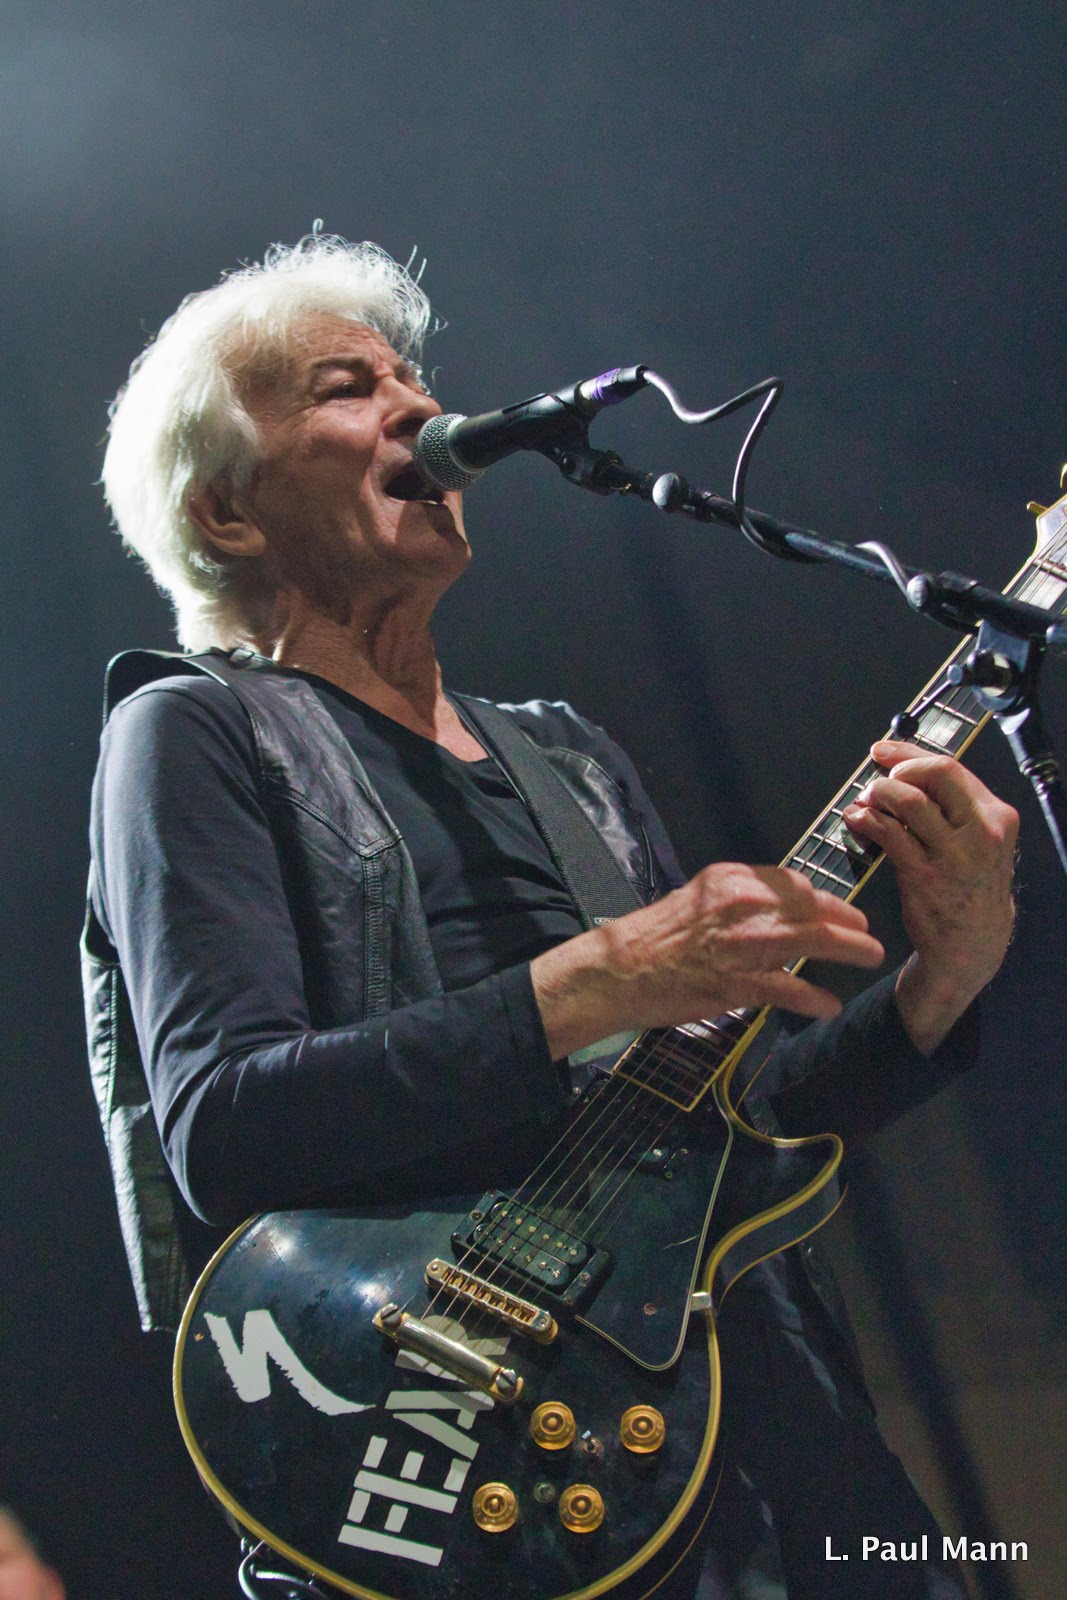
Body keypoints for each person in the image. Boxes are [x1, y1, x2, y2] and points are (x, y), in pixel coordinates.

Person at [85, 235, 1018, 1599]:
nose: (418, 406)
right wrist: (603, 975)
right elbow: (226, 1125)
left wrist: (947, 980)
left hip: (764, 1437)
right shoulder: (192, 731)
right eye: (349, 388)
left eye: (412, 377)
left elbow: (722, 1138)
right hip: (454, 1445)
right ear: (228, 513)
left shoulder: (566, 754)